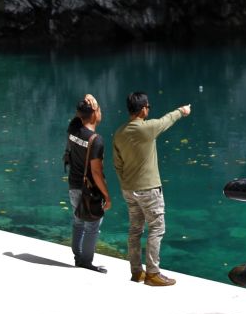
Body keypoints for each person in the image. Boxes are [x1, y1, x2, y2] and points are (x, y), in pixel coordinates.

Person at [113, 91, 192, 286]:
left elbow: (117, 165)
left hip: (129, 189)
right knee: (156, 228)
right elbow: (166, 120)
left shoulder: (119, 133)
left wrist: (125, 185)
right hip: (148, 189)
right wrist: (182, 111)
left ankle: (136, 271)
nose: (149, 110)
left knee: (135, 230)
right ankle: (153, 273)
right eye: (148, 107)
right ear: (142, 110)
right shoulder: (146, 129)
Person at [65, 93, 112, 273]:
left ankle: (78, 257)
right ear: (93, 113)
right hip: (90, 190)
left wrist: (88, 98)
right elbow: (96, 172)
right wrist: (107, 196)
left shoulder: (73, 130)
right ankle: (86, 262)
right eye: (98, 109)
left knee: (78, 221)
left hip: (73, 185)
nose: (101, 112)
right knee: (92, 226)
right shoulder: (96, 140)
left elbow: (77, 117)